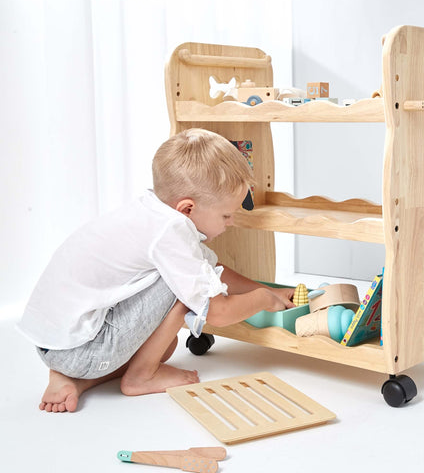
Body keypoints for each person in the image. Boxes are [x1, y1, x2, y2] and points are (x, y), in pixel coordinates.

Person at [17, 128, 295, 413]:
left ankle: (75, 380)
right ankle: (140, 376)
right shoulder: (170, 232)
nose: (231, 222)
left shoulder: (153, 213)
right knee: (183, 290)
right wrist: (262, 298)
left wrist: (273, 290)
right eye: (226, 215)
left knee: (166, 346)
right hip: (83, 350)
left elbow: (213, 270)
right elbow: (217, 312)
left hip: (55, 344)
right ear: (187, 208)